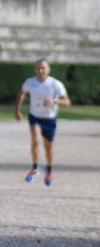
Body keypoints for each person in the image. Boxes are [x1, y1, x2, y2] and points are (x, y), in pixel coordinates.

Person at [15, 58, 71, 186]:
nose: (40, 71)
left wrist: (54, 101)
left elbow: (67, 102)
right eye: (38, 68)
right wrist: (17, 110)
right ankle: (35, 168)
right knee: (35, 137)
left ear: (48, 69)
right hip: (35, 116)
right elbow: (22, 93)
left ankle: (49, 170)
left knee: (48, 147)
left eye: (43, 68)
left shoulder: (55, 84)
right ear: (35, 70)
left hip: (50, 119)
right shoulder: (30, 82)